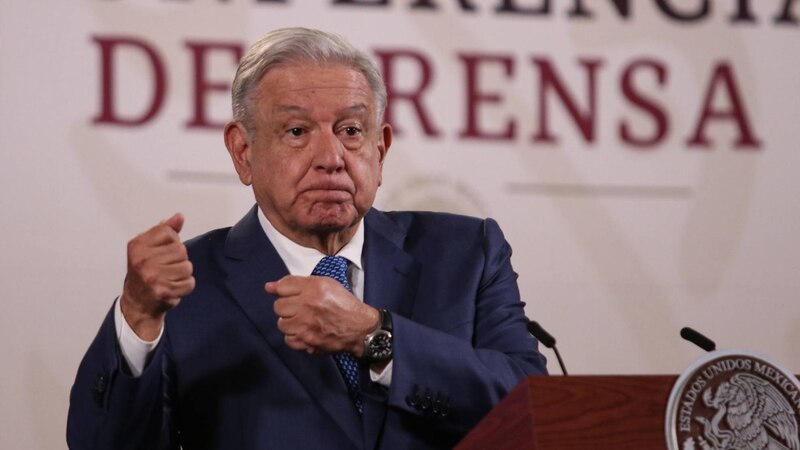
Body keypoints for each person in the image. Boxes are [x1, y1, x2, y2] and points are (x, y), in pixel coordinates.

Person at [67, 27, 547, 450]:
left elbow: (533, 410)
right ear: (243, 152)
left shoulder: (466, 254)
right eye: (297, 131)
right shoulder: (189, 285)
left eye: (351, 130)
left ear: (381, 148)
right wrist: (137, 319)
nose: (332, 157)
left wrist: (374, 336)